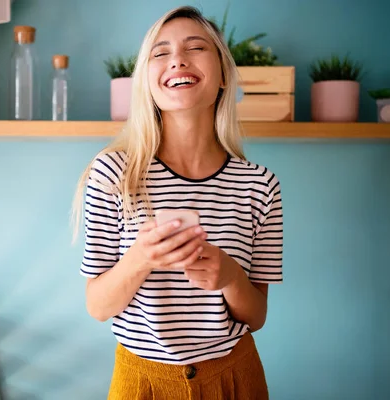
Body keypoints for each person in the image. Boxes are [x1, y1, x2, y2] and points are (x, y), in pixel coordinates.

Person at [71, 5, 283, 399]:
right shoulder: (114, 174)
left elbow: (257, 316)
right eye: (160, 52)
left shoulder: (259, 186)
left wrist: (231, 277)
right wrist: (140, 258)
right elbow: (98, 306)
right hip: (141, 383)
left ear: (222, 76)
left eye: (195, 47)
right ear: (146, 81)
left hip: (236, 379)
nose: (178, 60)